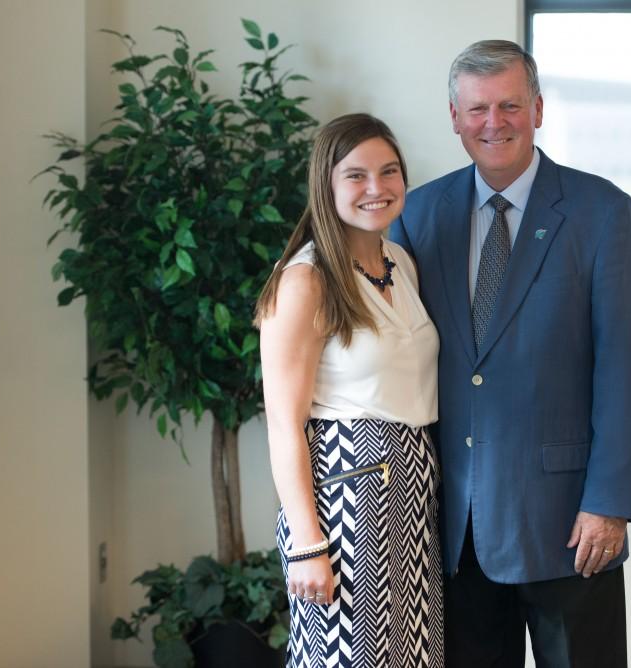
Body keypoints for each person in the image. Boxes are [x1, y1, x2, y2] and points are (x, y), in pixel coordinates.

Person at [389, 40, 631, 667]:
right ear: (454, 117)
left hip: (570, 524)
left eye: (510, 105)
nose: (494, 122)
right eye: (478, 108)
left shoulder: (603, 213)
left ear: (537, 109)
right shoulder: (416, 216)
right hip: (454, 529)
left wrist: (611, 502)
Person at [255, 113, 444, 667]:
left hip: (413, 488)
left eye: (389, 172)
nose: (376, 188)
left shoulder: (401, 263)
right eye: (356, 175)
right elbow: (283, 423)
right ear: (326, 185)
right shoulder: (306, 279)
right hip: (345, 495)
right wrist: (308, 545)